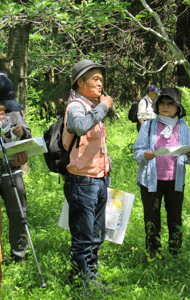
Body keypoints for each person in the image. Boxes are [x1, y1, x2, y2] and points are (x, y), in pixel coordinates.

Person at [62, 59, 114, 292]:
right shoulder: (76, 106)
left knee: (96, 234)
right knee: (84, 237)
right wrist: (103, 107)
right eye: (95, 78)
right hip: (82, 181)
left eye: (101, 79)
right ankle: (84, 284)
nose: (100, 83)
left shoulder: (92, 105)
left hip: (100, 179)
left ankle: (87, 278)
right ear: (79, 82)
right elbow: (81, 126)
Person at [133, 87, 190, 258]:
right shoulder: (148, 126)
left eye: (170, 103)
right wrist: (145, 155)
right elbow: (137, 152)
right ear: (156, 106)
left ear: (177, 107)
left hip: (174, 181)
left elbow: (188, 155)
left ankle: (175, 254)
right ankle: (153, 253)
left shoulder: (184, 128)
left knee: (175, 219)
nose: (165, 106)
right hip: (151, 181)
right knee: (151, 219)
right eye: (162, 103)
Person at [0, 73, 30, 290]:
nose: (5, 109)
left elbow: (27, 134)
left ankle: (19, 254)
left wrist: (22, 132)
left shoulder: (14, 111)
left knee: (19, 212)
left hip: (11, 168)